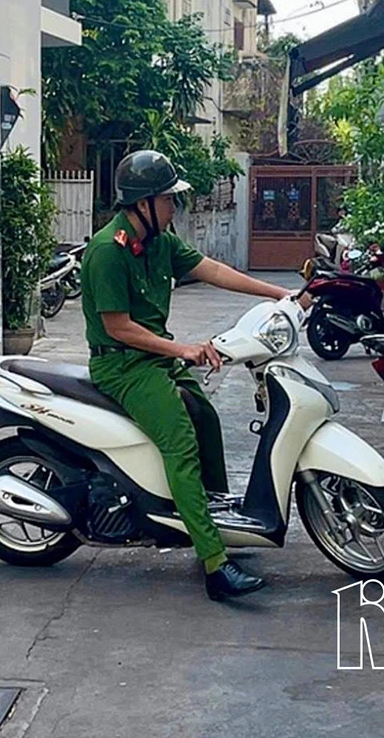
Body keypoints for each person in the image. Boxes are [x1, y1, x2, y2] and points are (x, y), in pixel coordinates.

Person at [82, 150, 308, 601]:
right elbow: (118, 327)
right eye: (169, 199)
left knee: (205, 416)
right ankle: (214, 565)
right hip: (122, 365)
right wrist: (183, 349)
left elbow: (216, 271)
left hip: (154, 358)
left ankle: (218, 526)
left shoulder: (159, 242)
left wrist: (283, 293)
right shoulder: (109, 250)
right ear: (143, 203)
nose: (174, 207)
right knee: (181, 443)